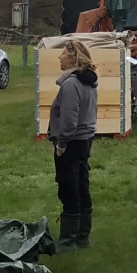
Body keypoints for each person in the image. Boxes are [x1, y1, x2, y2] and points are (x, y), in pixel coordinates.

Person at [48, 39, 99, 251]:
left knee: (69, 188)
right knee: (81, 185)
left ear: (73, 58)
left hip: (72, 142)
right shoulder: (89, 81)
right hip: (85, 140)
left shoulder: (70, 84)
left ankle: (68, 242)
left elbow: (69, 119)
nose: (59, 57)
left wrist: (61, 144)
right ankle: (82, 238)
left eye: (62, 54)